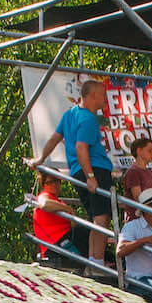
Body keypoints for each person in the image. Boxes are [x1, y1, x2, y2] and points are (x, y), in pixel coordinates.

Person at [37, 78, 114, 272]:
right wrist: (91, 176)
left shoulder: (69, 115)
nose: (105, 100)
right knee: (101, 218)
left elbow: (54, 139)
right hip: (94, 170)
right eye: (102, 95)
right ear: (92, 95)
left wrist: (40, 159)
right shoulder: (88, 118)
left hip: (79, 171)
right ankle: (97, 263)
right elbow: (81, 148)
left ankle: (94, 261)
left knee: (95, 218)